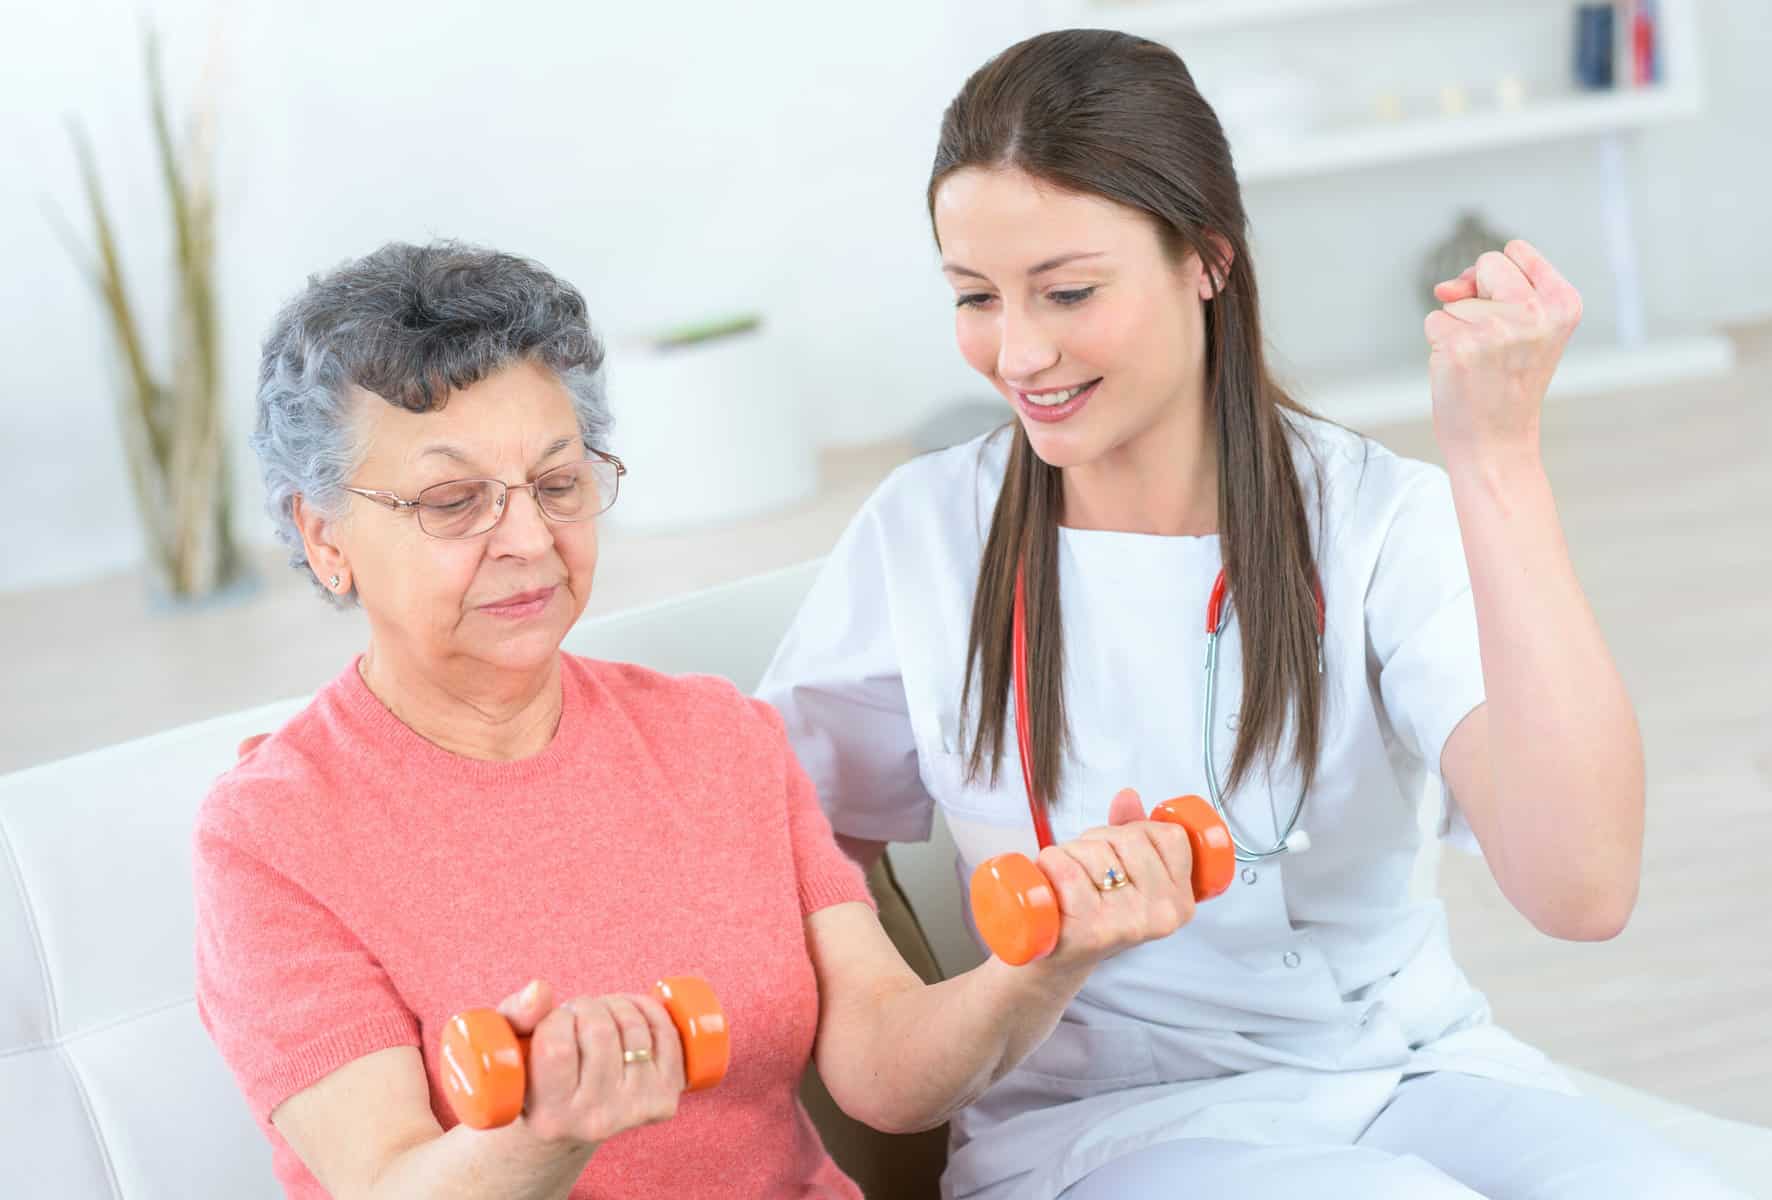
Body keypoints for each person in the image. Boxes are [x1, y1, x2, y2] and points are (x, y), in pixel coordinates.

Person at [756, 29, 1742, 1199]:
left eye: (1068, 291)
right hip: (1098, 1128)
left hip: (1413, 1073)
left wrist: (1499, 460)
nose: (1018, 351)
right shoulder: (925, 535)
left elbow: (1582, 888)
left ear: (1206, 261)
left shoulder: (1374, 514)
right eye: (975, 297)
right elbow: (772, 842)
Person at [192, 240, 1194, 1199]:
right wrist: (550, 1134)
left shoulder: (717, 738)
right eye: (454, 501)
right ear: (324, 537)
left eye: (557, 481)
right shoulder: (273, 834)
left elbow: (883, 1074)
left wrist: (1043, 963)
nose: (532, 538)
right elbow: (390, 1185)